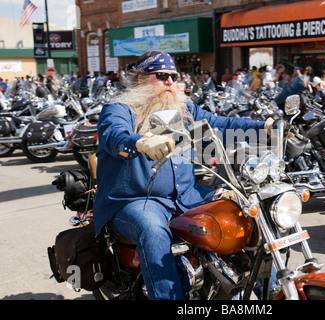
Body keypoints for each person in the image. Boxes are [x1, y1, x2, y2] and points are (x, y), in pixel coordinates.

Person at [94, 50, 276, 300]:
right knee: (153, 230)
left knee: (243, 213)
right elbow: (114, 135)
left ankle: (273, 291)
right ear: (140, 78)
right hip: (135, 200)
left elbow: (219, 124)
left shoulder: (184, 109)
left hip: (187, 195)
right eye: (161, 75)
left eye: (173, 76)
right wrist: (141, 143)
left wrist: (265, 128)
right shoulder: (119, 109)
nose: (170, 82)